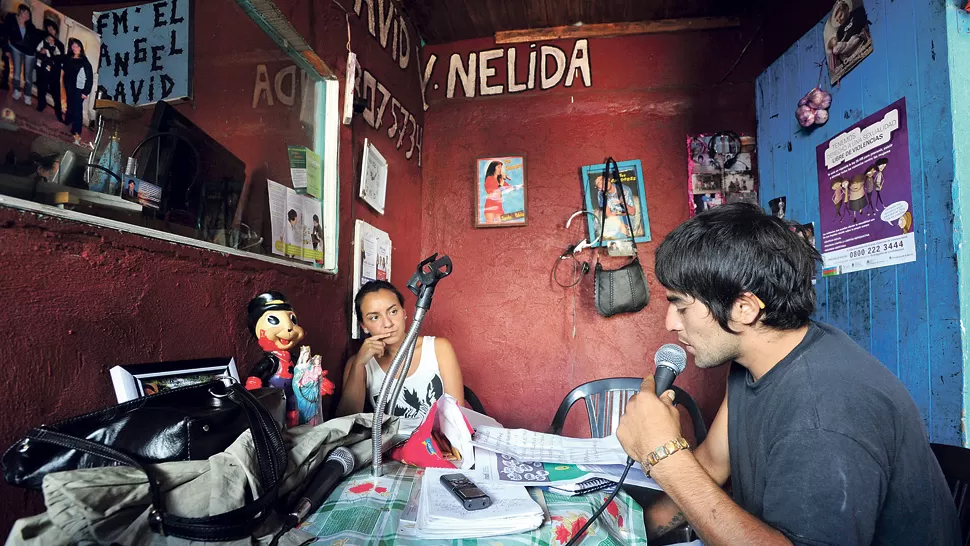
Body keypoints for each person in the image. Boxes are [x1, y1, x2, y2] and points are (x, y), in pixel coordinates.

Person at [615, 203, 959, 545]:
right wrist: (620, 532)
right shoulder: (759, 359)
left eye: (681, 306)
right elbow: (714, 463)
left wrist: (662, 454)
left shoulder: (825, 409)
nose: (670, 324)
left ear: (744, 309)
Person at [336, 280, 464, 420]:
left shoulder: (438, 349)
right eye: (374, 317)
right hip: (388, 441)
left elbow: (457, 418)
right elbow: (346, 424)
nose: (388, 323)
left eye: (393, 311)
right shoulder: (358, 363)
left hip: (436, 440)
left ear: (404, 313)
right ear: (364, 326)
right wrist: (359, 365)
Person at [5, 4, 39, 105]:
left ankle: (27, 95)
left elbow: (34, 40)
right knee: (17, 71)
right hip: (15, 48)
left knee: (28, 75)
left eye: (28, 14)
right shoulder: (11, 19)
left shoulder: (30, 26)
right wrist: (6, 48)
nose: (26, 15)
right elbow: (5, 33)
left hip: (29, 52)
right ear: (20, 12)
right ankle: (16, 90)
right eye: (25, 12)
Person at [62, 38, 92, 145]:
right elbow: (65, 69)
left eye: (77, 46)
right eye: (73, 46)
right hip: (69, 86)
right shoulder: (69, 58)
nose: (75, 48)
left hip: (79, 89)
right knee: (70, 105)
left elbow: (90, 78)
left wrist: (85, 92)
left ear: (81, 48)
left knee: (77, 111)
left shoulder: (84, 61)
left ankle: (76, 134)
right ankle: (68, 120)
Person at [34, 19, 63, 122]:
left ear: (56, 31)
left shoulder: (60, 44)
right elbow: (37, 52)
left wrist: (52, 54)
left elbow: (60, 59)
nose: (51, 30)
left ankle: (58, 113)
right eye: (49, 28)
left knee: (56, 93)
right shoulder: (43, 39)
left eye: (53, 29)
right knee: (42, 88)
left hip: (54, 71)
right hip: (43, 68)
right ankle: (41, 105)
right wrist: (41, 53)